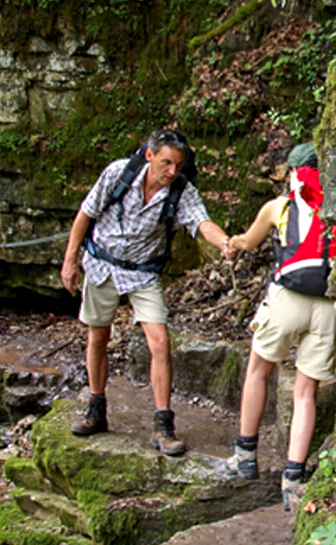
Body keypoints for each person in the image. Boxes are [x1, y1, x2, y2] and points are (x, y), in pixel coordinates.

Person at [60, 128, 234, 456]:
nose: (172, 171)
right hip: (101, 264)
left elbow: (201, 223)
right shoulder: (118, 174)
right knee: (98, 336)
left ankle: (163, 425)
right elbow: (86, 213)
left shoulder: (181, 191)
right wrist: (70, 260)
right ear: (150, 155)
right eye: (167, 163)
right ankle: (96, 410)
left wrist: (224, 241)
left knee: (160, 341)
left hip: (142, 273)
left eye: (178, 165)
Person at [220, 143, 336, 509]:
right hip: (328, 307)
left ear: (293, 173)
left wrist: (233, 244)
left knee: (258, 371)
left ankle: (245, 456)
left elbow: (248, 241)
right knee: (306, 391)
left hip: (287, 299)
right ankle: (293, 478)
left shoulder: (280, 207)